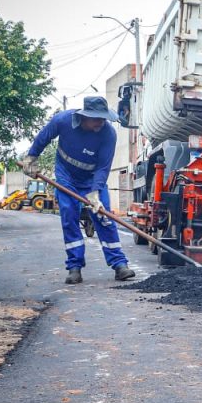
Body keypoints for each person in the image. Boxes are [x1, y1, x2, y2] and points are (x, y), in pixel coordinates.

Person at [22, 96, 134, 284]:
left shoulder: (108, 134)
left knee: (104, 216)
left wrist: (95, 192)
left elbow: (103, 167)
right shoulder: (62, 121)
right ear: (84, 117)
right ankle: (75, 267)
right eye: (96, 119)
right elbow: (43, 137)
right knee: (69, 214)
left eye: (103, 118)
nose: (101, 122)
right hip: (67, 176)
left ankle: (119, 265)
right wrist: (31, 158)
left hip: (92, 179)